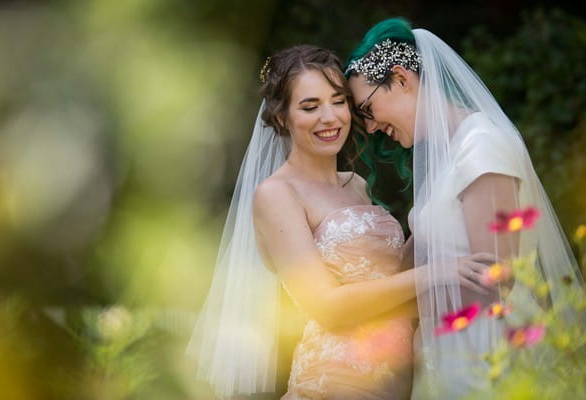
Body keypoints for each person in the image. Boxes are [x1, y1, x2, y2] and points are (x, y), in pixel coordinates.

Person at [186, 44, 493, 400]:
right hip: (334, 383)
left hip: (398, 383)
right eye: (310, 106)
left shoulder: (358, 185)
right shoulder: (276, 195)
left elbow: (386, 289)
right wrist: (436, 272)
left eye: (338, 101)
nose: (330, 117)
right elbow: (327, 306)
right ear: (283, 117)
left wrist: (435, 224)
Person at [344, 17, 584, 399]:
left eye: (368, 110)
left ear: (402, 79)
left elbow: (497, 278)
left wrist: (400, 308)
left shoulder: (481, 146)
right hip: (450, 352)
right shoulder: (447, 155)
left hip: (485, 357)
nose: (370, 128)